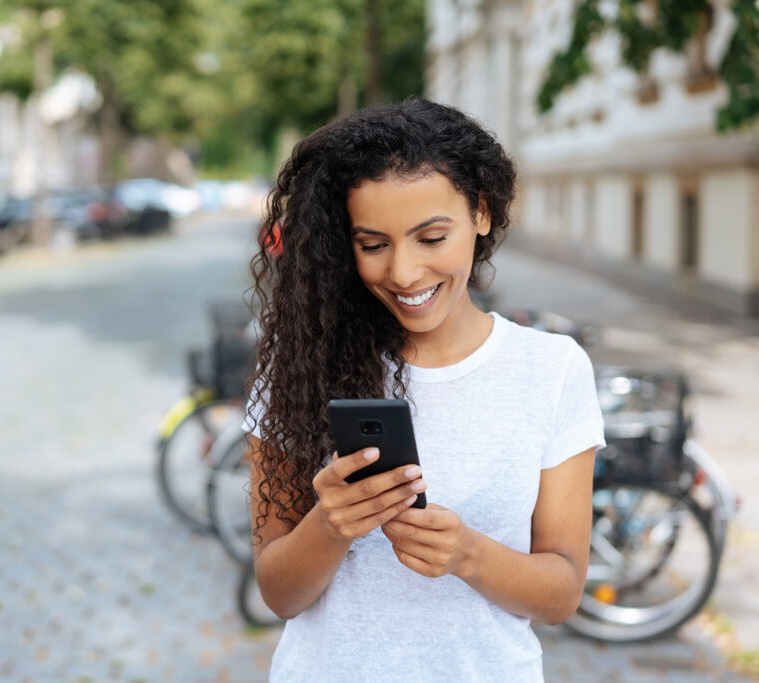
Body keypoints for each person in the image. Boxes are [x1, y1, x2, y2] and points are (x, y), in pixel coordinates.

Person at [243, 99, 605, 681]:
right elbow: (280, 594)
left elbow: (561, 593)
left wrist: (469, 555)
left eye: (432, 236)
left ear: (481, 213)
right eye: (373, 244)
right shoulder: (298, 368)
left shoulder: (552, 368)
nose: (405, 273)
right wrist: (331, 524)